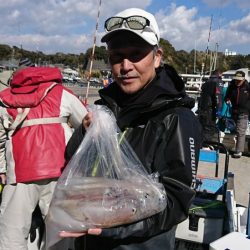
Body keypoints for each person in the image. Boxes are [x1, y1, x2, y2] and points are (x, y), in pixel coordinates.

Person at [60, 7, 202, 250]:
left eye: (136, 54)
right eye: (117, 56)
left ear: (157, 57)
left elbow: (176, 203)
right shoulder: (104, 110)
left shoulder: (176, 119)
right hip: (87, 240)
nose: (125, 66)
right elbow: (73, 165)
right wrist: (85, 133)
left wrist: (114, 225)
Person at [0, 64, 88, 249]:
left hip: (19, 174)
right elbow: (87, 124)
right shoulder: (62, 93)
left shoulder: (6, 98)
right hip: (60, 171)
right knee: (61, 231)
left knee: (12, 233)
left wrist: (2, 168)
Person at [224, 70, 250, 158]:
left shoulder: (247, 87)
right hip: (233, 111)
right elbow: (227, 96)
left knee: (241, 131)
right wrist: (227, 100)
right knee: (233, 129)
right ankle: (231, 145)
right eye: (236, 79)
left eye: (239, 80)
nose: (237, 81)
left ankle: (239, 151)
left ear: (243, 79)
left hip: (244, 112)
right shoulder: (231, 86)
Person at [198, 69, 224, 142]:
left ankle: (200, 146)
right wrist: (219, 110)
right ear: (219, 75)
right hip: (210, 110)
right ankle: (205, 147)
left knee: (202, 129)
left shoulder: (206, 82)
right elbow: (218, 97)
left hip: (202, 109)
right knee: (209, 130)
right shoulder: (218, 82)